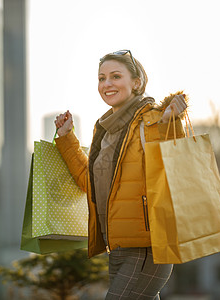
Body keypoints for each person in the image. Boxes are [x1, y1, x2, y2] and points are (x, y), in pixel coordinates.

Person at [54, 50, 187, 300]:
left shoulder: (152, 119)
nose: (107, 84)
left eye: (115, 76)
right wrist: (66, 138)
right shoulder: (105, 131)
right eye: (101, 78)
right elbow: (90, 184)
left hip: (146, 249)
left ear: (136, 83)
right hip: (116, 249)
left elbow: (170, 168)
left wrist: (169, 123)